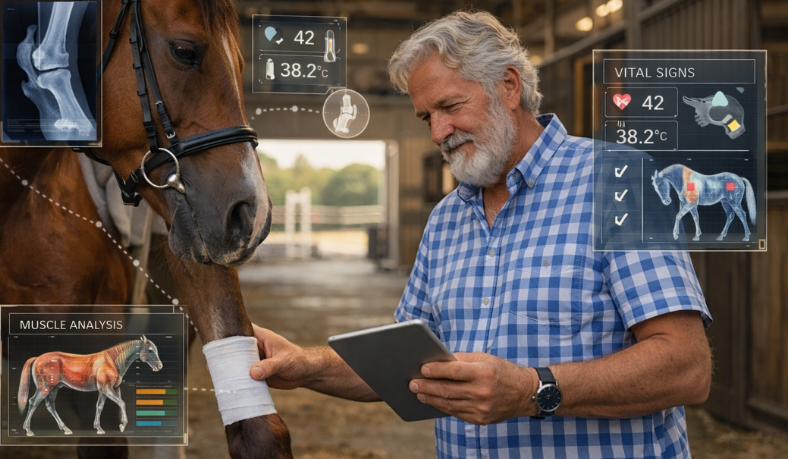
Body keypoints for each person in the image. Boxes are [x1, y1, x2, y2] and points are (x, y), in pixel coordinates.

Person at [250, 10, 712, 459]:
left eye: (450, 107)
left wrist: (533, 390)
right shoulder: (446, 219)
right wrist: (304, 364)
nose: (438, 132)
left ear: (508, 86)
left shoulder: (617, 181)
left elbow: (686, 367)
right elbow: (405, 366)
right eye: (425, 117)